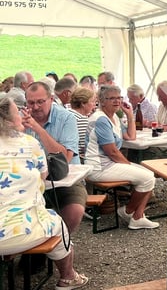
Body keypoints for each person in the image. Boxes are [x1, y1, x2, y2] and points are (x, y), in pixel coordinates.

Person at [0, 97, 89, 289]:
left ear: (50, 99)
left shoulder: (65, 118)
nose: (26, 112)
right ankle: (68, 277)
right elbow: (43, 175)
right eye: (18, 112)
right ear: (9, 121)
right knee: (59, 224)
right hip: (17, 232)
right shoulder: (28, 143)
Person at [84, 85, 159, 230]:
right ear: (102, 101)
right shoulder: (101, 119)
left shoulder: (114, 117)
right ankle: (128, 211)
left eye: (119, 98)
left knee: (150, 174)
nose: (117, 101)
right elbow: (112, 152)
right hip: (99, 167)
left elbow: (131, 136)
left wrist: (130, 115)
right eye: (112, 98)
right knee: (147, 177)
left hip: (109, 164)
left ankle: (138, 217)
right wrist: (129, 165)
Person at [22, 81, 87, 234]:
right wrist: (19, 129)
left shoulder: (67, 118)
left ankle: (58, 242)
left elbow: (65, 158)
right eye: (31, 103)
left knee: (75, 210)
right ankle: (29, 243)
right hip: (30, 179)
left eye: (40, 102)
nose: (35, 107)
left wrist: (37, 128)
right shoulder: (19, 119)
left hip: (64, 178)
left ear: (51, 99)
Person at [69, 87, 98, 160]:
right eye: (92, 101)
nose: (94, 105)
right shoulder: (82, 120)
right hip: (78, 159)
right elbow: (86, 146)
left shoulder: (67, 113)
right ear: (83, 104)